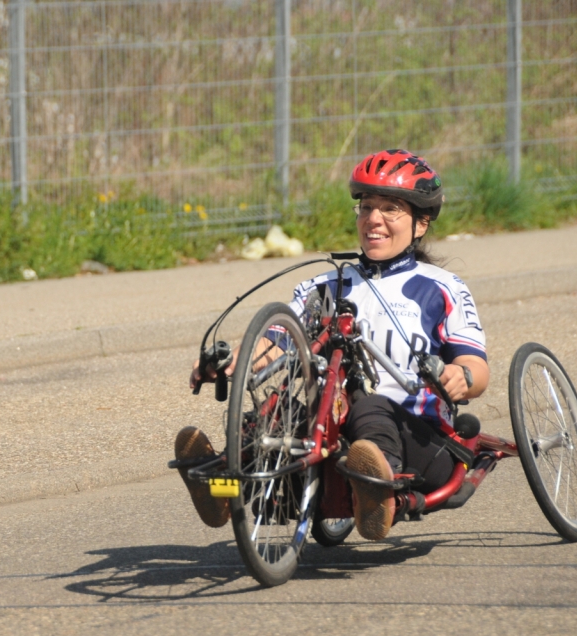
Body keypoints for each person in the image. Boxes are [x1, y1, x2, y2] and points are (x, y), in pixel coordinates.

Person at [175, 149, 489, 540]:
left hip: (421, 441)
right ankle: (223, 482)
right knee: (277, 416)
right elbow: (277, 340)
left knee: (372, 407)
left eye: (391, 209)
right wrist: (233, 361)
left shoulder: (442, 287)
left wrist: (461, 376)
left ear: (421, 223)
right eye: (367, 207)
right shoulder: (323, 286)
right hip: (335, 439)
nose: (373, 219)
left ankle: (378, 491)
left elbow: (476, 369)